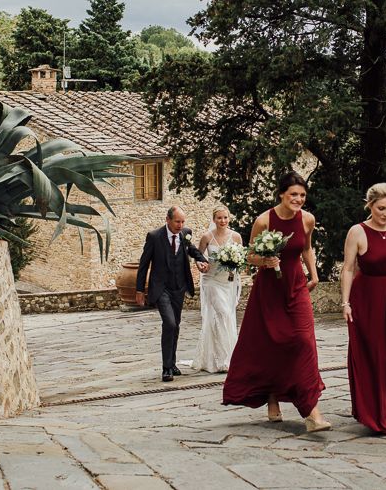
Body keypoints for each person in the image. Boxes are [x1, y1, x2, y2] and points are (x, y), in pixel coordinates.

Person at [222, 171, 331, 432]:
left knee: (304, 341)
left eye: (303, 195)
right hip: (270, 289)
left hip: (296, 286)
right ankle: (272, 396)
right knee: (271, 342)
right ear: (281, 193)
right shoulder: (264, 220)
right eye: (294, 194)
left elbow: (306, 248)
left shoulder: (307, 219)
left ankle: (312, 412)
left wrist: (314, 275)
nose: (299, 199)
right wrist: (265, 261)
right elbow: (248, 256)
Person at [341, 183, 386, 434]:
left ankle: (382, 405)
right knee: (372, 355)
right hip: (366, 298)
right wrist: (346, 303)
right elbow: (348, 268)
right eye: (381, 208)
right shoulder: (357, 232)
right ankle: (374, 413)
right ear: (370, 205)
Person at [136, 205, 209, 382]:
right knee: (169, 323)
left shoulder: (185, 233)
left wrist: (201, 260)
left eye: (183, 221)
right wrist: (139, 290)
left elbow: (191, 249)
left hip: (179, 286)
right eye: (177, 221)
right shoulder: (154, 237)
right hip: (161, 288)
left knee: (175, 324)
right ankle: (166, 368)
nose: (180, 225)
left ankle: (173, 363)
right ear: (167, 220)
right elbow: (144, 264)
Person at [191, 205, 243, 373]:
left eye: (225, 218)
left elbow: (241, 259)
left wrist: (235, 263)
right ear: (214, 220)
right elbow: (198, 258)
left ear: (229, 218)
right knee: (223, 313)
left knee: (225, 317)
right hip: (211, 280)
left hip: (228, 281)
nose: (223, 221)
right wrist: (200, 265)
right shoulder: (207, 236)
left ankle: (222, 356)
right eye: (219, 218)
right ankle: (224, 359)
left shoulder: (236, 237)